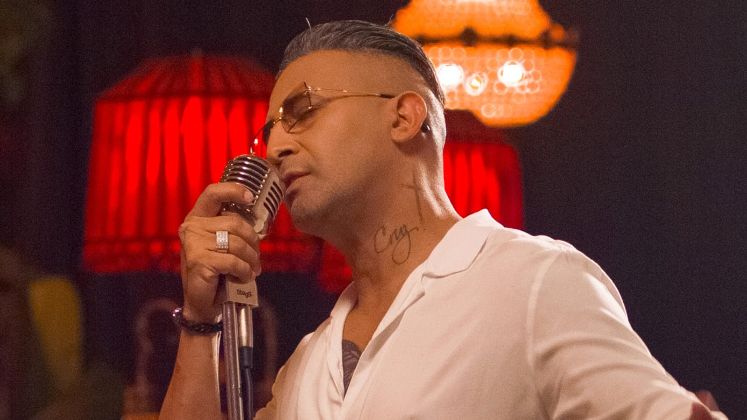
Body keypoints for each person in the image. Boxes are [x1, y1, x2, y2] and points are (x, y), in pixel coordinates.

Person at [159, 20, 726, 419]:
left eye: (301, 110)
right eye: (268, 132)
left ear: (405, 116)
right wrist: (201, 321)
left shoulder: (533, 282)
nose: (277, 145)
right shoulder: (308, 362)